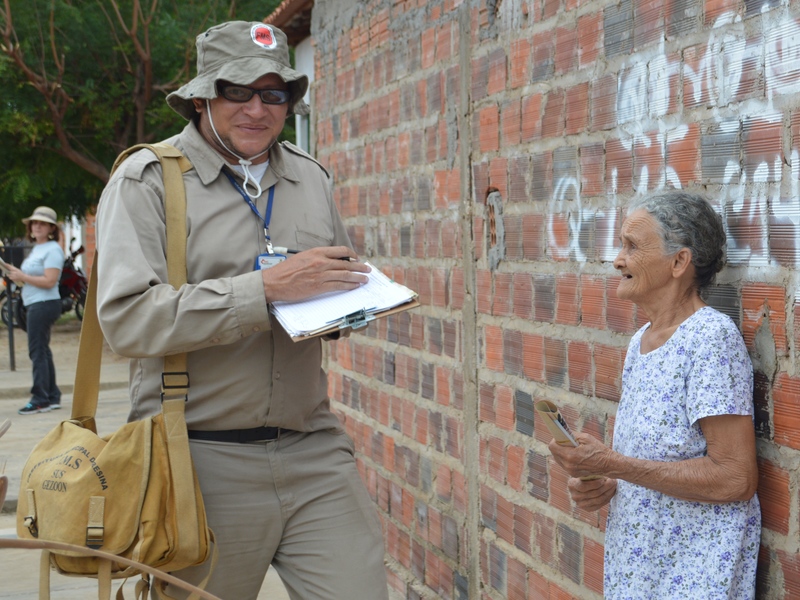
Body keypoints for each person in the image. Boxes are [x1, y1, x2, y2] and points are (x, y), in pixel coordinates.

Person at [94, 21, 389, 600]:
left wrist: (348, 306)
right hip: (199, 460)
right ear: (204, 95)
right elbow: (126, 320)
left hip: (314, 449)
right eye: (238, 91)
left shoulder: (309, 176)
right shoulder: (147, 180)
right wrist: (266, 292)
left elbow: (327, 280)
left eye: (274, 93)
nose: (257, 108)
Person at [549, 191, 760, 599]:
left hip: (695, 578)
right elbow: (647, 465)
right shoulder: (640, 343)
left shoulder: (710, 339)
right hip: (638, 573)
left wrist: (618, 464)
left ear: (679, 262)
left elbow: (736, 478)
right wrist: (605, 480)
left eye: (632, 246)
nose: (618, 259)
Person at [7, 207, 64, 415]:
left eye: (42, 223)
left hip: (44, 304)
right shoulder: (37, 249)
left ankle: (40, 398)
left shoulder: (53, 249)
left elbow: (50, 281)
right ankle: (52, 395)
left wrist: (22, 275)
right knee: (43, 350)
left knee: (37, 350)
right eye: (34, 223)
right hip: (34, 303)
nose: (36, 226)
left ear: (51, 228)